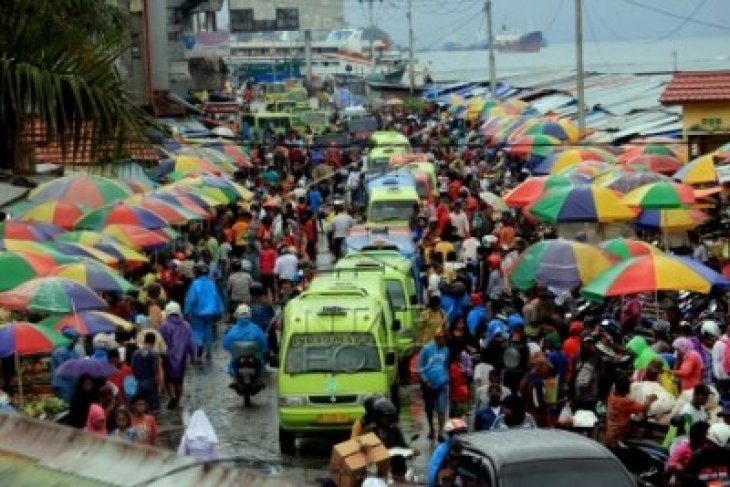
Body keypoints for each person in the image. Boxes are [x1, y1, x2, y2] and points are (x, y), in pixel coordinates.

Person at [159, 301, 195, 410]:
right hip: (182, 357)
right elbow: (190, 342)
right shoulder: (186, 325)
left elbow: (160, 340)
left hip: (167, 356)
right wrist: (193, 355)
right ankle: (178, 400)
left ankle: (172, 396)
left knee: (168, 379)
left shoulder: (164, 325)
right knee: (179, 380)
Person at [184, 263, 224, 361]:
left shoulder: (195, 283)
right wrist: (220, 310)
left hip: (197, 313)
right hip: (211, 313)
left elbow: (191, 299)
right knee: (208, 331)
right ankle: (209, 351)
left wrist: (186, 311)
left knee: (197, 332)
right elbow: (217, 297)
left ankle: (198, 351)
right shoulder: (211, 283)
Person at [605, 376, 657, 448]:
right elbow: (644, 408)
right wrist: (650, 399)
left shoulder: (611, 398)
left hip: (609, 434)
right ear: (628, 390)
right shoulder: (626, 402)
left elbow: (614, 387)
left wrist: (627, 381)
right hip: (619, 436)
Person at [418, 329, 449, 441]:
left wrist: (446, 379)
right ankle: (431, 428)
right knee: (429, 408)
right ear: (437, 338)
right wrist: (426, 381)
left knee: (442, 408)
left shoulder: (446, 349)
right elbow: (420, 368)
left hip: (441, 384)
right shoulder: (426, 349)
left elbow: (444, 365)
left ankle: (440, 432)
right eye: (443, 339)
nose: (445, 341)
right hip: (428, 385)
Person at [222, 304, 268, 380]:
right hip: (255, 360)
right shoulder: (256, 328)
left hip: (237, 361)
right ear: (249, 314)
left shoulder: (232, 329)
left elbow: (226, 344)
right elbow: (263, 343)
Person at [427, 418, 468, 487]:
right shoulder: (444, 450)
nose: (461, 436)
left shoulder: (464, 448)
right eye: (457, 434)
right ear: (450, 435)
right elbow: (437, 474)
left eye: (463, 433)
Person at [130, 331, 163, 415]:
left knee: (140, 408)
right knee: (153, 409)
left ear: (144, 340)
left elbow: (133, 368)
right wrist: (159, 385)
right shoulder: (154, 354)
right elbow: (156, 371)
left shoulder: (135, 353)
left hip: (139, 383)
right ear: (154, 341)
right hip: (151, 384)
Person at [50, 328, 81, 403]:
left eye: (76, 339)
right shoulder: (59, 352)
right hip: (62, 385)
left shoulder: (75, 352)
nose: (76, 342)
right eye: (75, 339)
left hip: (72, 384)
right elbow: (63, 369)